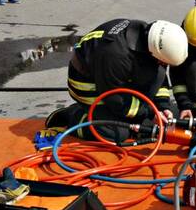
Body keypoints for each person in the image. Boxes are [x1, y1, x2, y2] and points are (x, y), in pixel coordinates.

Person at [47, 19, 187, 142]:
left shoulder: (147, 37)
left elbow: (158, 74)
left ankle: (100, 114)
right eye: (164, 62)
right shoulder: (116, 54)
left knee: (157, 73)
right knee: (118, 132)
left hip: (109, 79)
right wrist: (150, 112)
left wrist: (162, 107)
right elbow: (116, 100)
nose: (165, 66)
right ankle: (74, 116)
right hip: (87, 85)